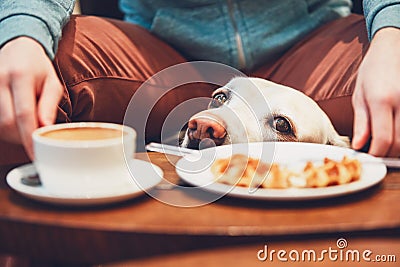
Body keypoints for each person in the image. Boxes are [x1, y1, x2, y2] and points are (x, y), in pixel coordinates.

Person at [0, 0, 399, 165]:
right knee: (29, 77)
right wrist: (22, 32)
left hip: (314, 46)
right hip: (163, 55)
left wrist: (393, 30)